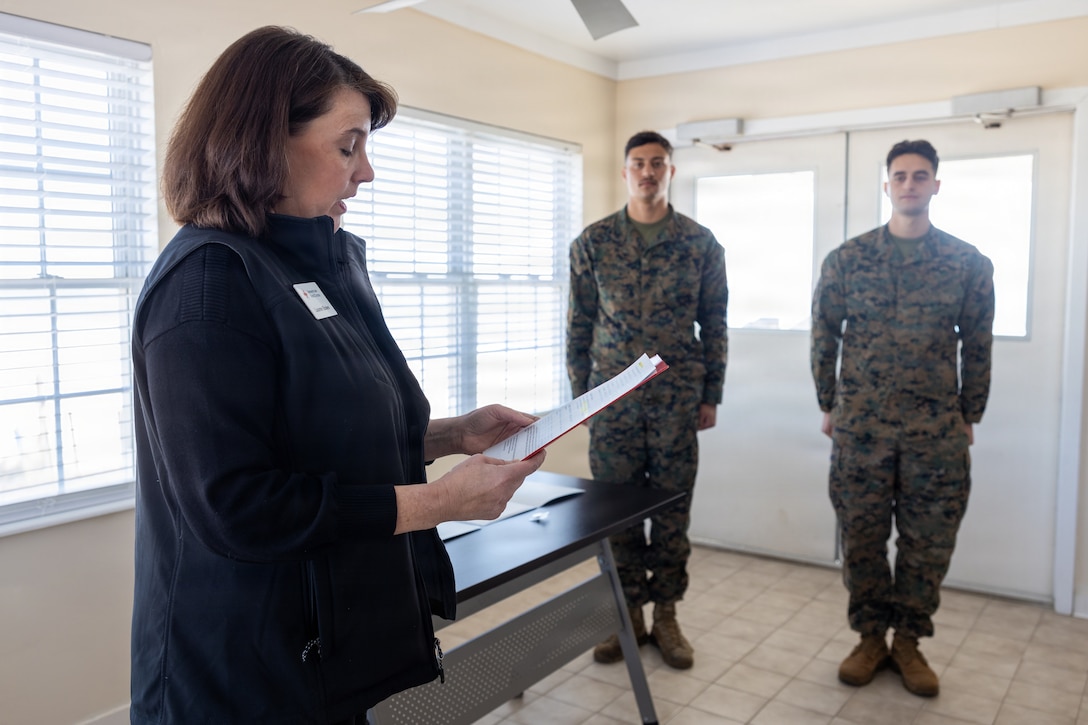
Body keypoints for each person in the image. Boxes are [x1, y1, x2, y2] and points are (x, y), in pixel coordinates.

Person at [129, 26, 545, 724]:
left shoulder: (318, 263)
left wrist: (452, 434)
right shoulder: (207, 285)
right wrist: (437, 502)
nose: (366, 172)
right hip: (241, 677)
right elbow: (236, 504)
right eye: (347, 145)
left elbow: (323, 434)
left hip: (325, 654)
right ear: (261, 142)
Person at [811, 139, 995, 697]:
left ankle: (909, 643)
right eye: (900, 176)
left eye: (920, 176)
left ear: (936, 185)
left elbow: (979, 346)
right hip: (861, 427)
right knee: (863, 538)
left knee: (927, 542)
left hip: (935, 429)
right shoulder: (848, 259)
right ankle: (870, 637)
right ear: (887, 185)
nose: (910, 184)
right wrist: (828, 403)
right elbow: (824, 334)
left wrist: (970, 413)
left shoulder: (968, 263)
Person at [567, 130, 728, 670]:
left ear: (671, 172)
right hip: (612, 406)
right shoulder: (593, 243)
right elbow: (579, 328)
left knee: (672, 512)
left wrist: (711, 394)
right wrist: (581, 401)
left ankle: (666, 616)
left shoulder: (701, 244)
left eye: (658, 163)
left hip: (677, 404)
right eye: (638, 163)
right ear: (625, 172)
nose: (648, 172)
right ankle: (626, 616)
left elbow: (716, 325)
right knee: (614, 514)